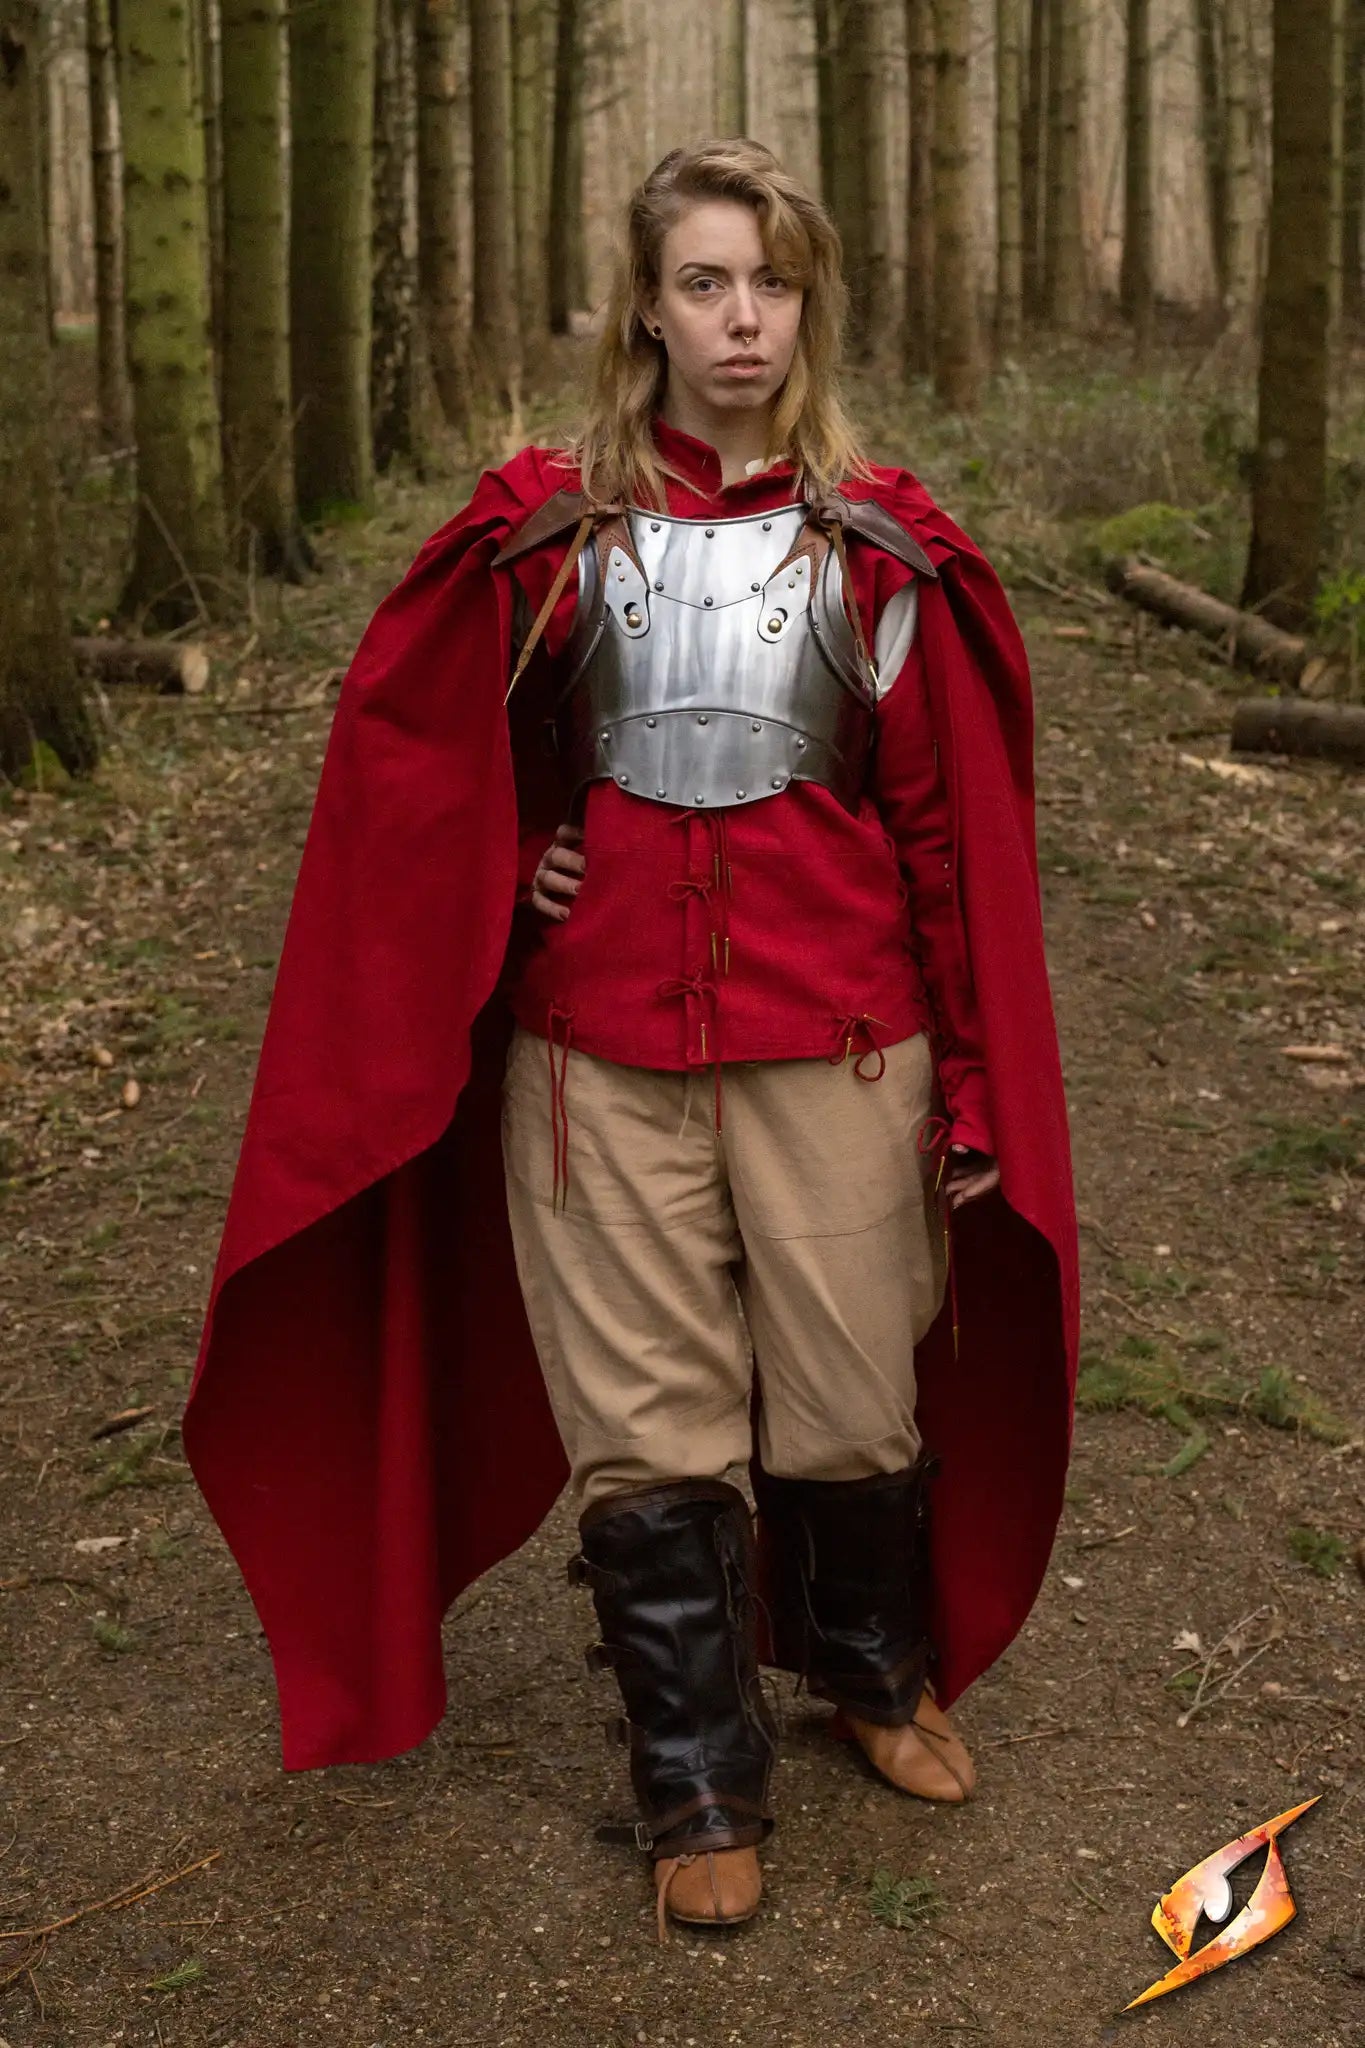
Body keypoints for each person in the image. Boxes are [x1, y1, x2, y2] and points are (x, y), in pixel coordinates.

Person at [184, 141, 1078, 1944]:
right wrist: (515, 877)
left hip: (834, 1038)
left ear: (807, 304)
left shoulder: (881, 545)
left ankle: (874, 1674)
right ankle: (692, 1775)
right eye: (702, 283)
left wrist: (972, 1076)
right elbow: (426, 789)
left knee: (848, 1394)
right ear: (645, 305)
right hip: (597, 1052)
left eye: (772, 284)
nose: (739, 319)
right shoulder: (542, 536)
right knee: (647, 1424)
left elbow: (945, 847)